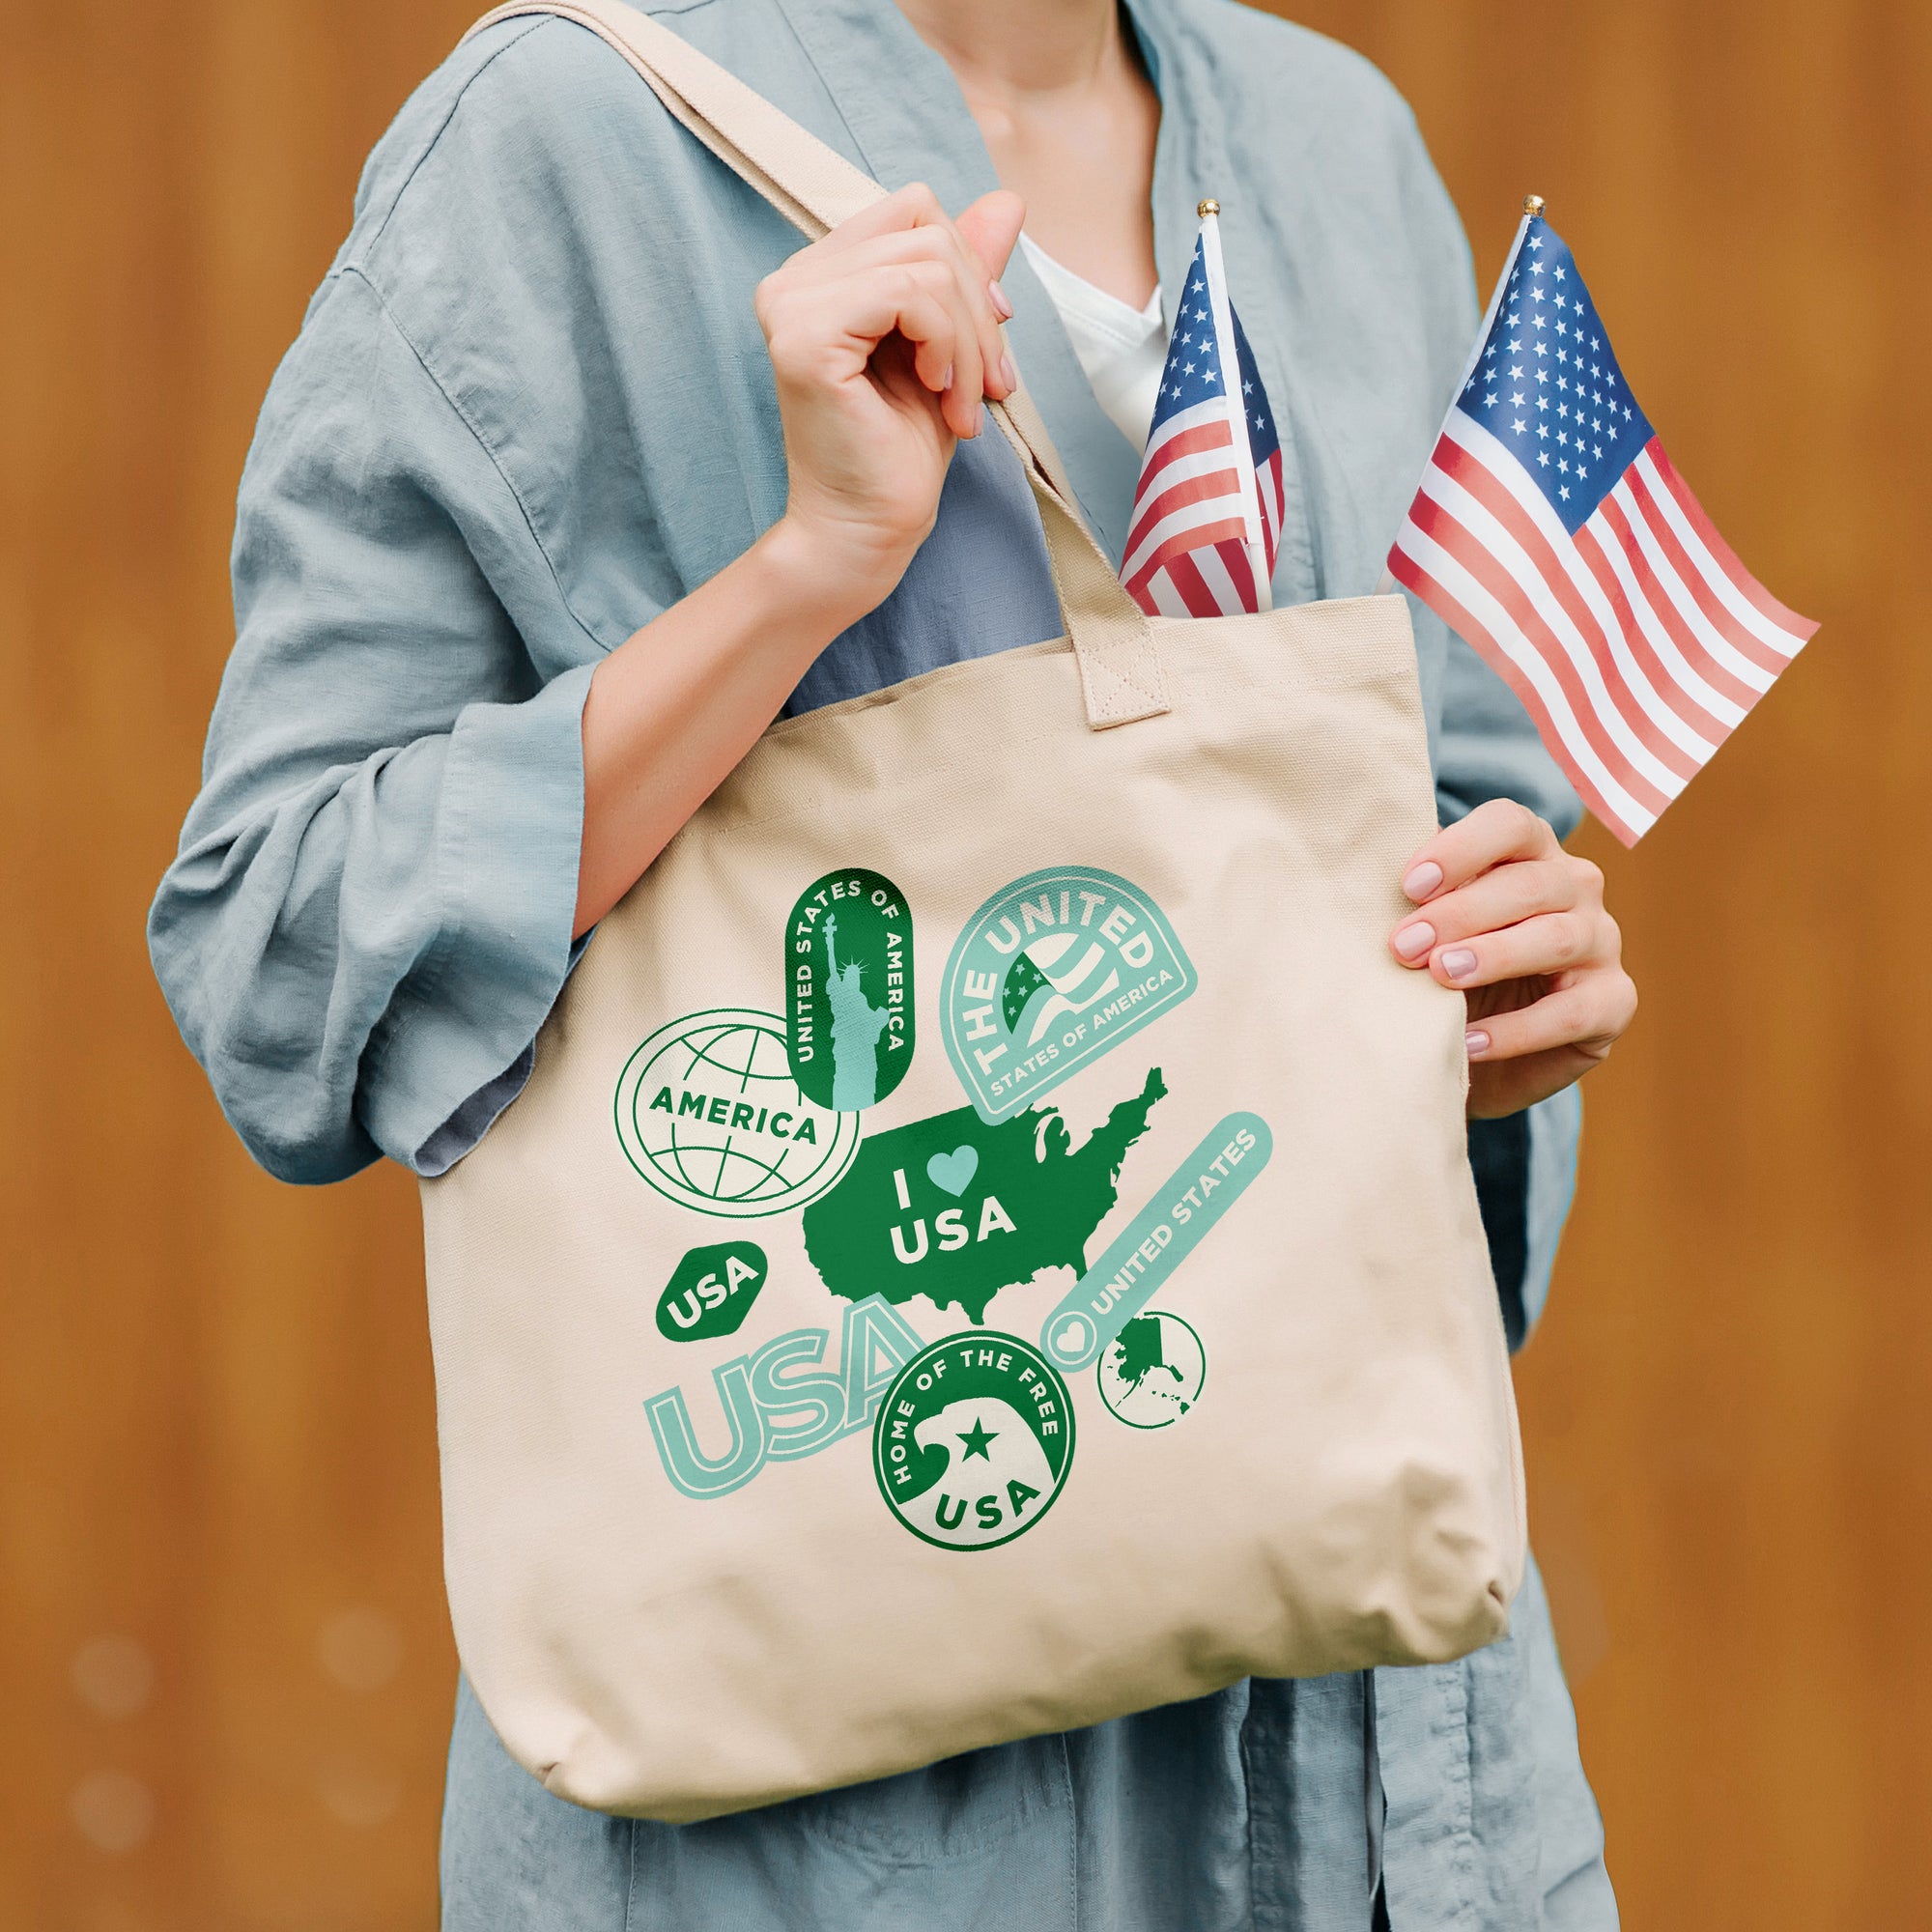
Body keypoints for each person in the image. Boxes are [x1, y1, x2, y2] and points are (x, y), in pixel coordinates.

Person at [149, 0, 1636, 1921]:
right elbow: (279, 953)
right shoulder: (559, 141)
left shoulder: (1333, 141)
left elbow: (1462, 810)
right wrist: (805, 576)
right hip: (828, 1820)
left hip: (1397, 1793)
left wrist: (1493, 997)